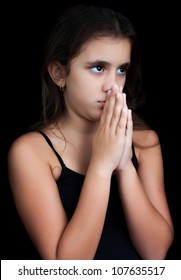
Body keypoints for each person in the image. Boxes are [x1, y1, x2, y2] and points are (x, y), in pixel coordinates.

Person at [8, 4, 174, 260]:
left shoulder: (145, 142)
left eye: (122, 70)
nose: (113, 85)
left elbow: (156, 254)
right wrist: (101, 163)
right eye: (98, 68)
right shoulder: (31, 152)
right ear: (59, 73)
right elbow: (67, 269)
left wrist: (125, 166)